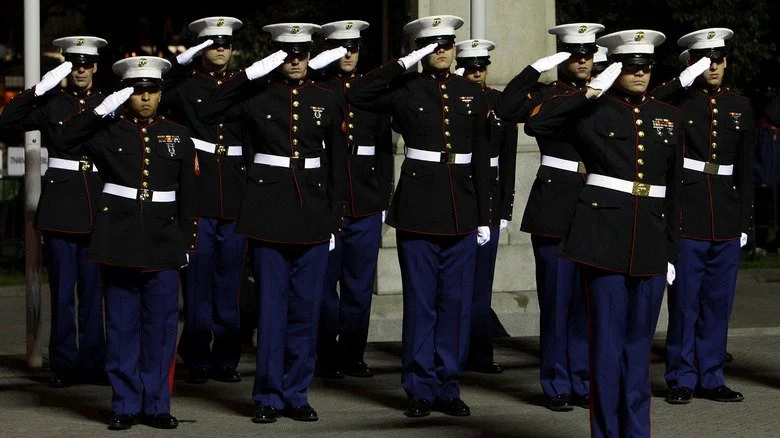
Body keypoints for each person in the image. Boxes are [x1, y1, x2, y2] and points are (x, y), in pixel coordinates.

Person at [525, 29, 682, 437]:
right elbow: (534, 121)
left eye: (646, 66)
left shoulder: (668, 116)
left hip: (649, 239)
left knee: (639, 349)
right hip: (603, 240)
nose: (640, 73)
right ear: (615, 66)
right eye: (631, 66)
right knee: (607, 348)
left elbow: (675, 189)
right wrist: (591, 90)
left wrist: (671, 250)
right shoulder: (592, 110)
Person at [198, 23, 347, 423]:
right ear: (276, 55)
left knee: (306, 310)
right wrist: (248, 74)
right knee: (271, 310)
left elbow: (337, 161)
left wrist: (335, 217)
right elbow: (207, 111)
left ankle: (297, 392)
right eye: (286, 52)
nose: (295, 59)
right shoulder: (256, 93)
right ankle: (266, 394)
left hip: (314, 214)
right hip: (267, 214)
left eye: (301, 52)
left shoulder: (327, 97)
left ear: (310, 54)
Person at [347, 14, 491, 418]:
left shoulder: (470, 92)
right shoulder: (405, 88)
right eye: (433, 44)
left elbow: (480, 157)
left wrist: (485, 215)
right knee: (422, 304)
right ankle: (419, 388)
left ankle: (449, 385)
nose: (442, 51)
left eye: (447, 44)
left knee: (455, 304)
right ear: (422, 49)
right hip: (418, 208)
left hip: (462, 206)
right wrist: (404, 63)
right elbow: (358, 94)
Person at [56, 56, 196, 430]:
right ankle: (123, 404)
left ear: (161, 93)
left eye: (151, 90)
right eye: (137, 91)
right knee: (119, 326)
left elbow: (188, 195)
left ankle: (157, 405)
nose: (145, 98)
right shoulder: (108, 131)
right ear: (125, 94)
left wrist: (186, 241)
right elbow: (64, 138)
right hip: (118, 238)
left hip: (165, 239)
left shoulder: (178, 134)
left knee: (162, 328)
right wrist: (102, 109)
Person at [496, 22, 605, 411]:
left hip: (596, 205)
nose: (582, 61)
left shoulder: (605, 92)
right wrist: (534, 68)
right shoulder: (547, 93)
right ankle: (557, 382)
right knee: (558, 302)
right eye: (574, 54)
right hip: (556, 204)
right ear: (563, 56)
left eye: (587, 54)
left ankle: (582, 380)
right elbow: (505, 108)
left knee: (588, 304)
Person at [652, 28, 754, 405]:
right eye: (704, 61)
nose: (713, 67)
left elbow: (744, 170)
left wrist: (744, 222)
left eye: (718, 60)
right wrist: (683, 80)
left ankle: (711, 376)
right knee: (685, 301)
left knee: (718, 302)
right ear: (693, 64)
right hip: (688, 213)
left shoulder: (739, 105)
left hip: (725, 215)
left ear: (726, 63)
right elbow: (648, 100)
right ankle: (680, 376)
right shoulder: (677, 102)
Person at [0, 36, 107, 388]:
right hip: (62, 204)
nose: (81, 70)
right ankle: (63, 363)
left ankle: (93, 363)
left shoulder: (109, 102)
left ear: (95, 66)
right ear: (67, 67)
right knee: (63, 293)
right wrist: (43, 85)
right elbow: (9, 119)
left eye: (86, 64)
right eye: (73, 64)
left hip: (97, 201)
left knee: (93, 294)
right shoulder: (53, 104)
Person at [161, 15, 247, 385]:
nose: (220, 49)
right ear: (201, 47)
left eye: (225, 43)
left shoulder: (247, 85)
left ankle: (226, 357)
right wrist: (185, 58)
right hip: (198, 193)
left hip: (237, 191)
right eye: (212, 43)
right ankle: (196, 353)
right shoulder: (186, 86)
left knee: (231, 283)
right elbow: (156, 87)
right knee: (196, 284)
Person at [314, 20, 394, 380]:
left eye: (355, 48)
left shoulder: (372, 91)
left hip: (364, 200)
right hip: (327, 200)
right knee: (323, 287)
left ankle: (352, 354)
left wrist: (382, 197)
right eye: (341, 48)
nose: (348, 54)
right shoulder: (317, 89)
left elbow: (383, 149)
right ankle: (325, 354)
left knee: (359, 288)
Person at [454, 38, 517, 375]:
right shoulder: (449, 100)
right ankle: (453, 353)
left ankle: (479, 353)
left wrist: (505, 208)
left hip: (489, 198)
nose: (477, 73)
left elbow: (508, 160)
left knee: (481, 284)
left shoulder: (498, 103)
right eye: (470, 67)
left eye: (482, 67)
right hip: (456, 192)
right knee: (454, 283)